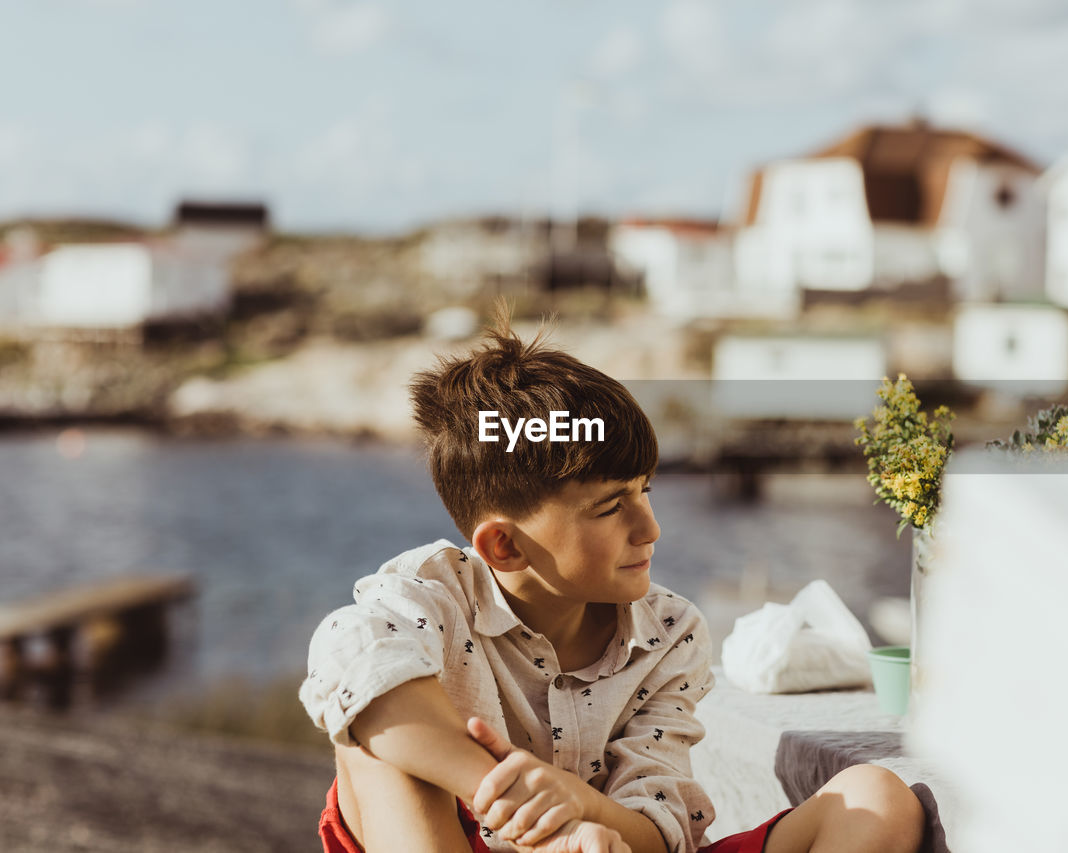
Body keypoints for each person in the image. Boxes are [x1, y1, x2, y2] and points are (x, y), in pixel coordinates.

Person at [299, 312, 924, 853]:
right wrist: (522, 808)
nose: (649, 527)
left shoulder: (669, 633)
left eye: (644, 491)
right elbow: (352, 657)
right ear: (505, 545)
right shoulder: (431, 597)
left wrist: (582, 809)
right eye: (610, 506)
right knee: (369, 743)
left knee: (877, 796)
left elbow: (658, 830)